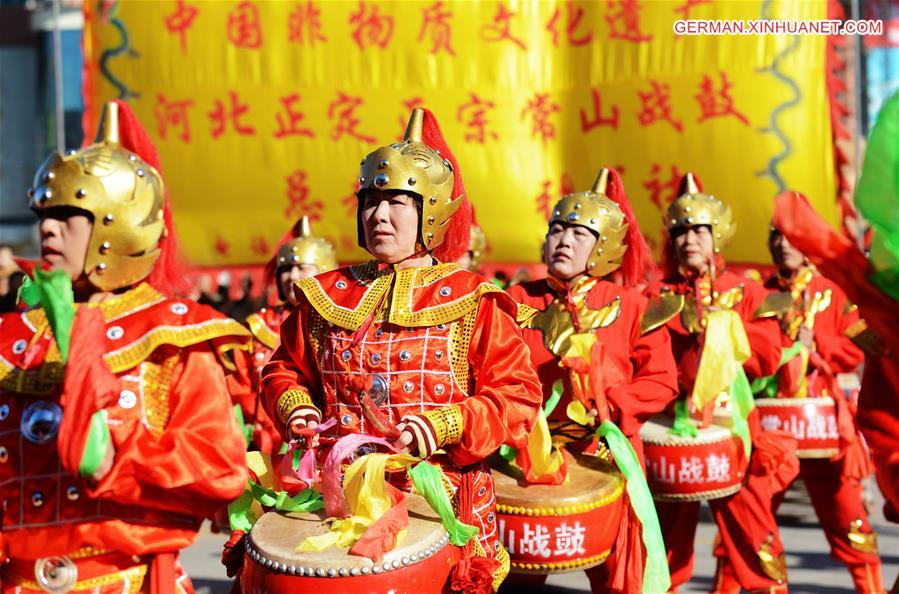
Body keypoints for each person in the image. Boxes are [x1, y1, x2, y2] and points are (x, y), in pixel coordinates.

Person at [260, 107, 542, 591]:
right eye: (371, 200)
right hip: (335, 498)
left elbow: (517, 397)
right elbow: (282, 370)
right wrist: (297, 410)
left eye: (398, 203)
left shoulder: (474, 299)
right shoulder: (326, 294)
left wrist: (445, 422)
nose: (379, 215)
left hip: (441, 501)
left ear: (429, 213)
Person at [0, 100, 249, 593]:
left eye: (70, 213)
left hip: (128, 580)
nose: (48, 227)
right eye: (46, 212)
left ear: (116, 224)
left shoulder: (176, 337)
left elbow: (218, 467)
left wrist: (114, 454)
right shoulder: (11, 338)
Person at [506, 167, 679, 593]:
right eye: (557, 230)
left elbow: (661, 381)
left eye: (578, 234)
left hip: (608, 452)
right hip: (530, 459)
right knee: (516, 575)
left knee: (622, 580)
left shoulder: (632, 305)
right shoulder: (515, 301)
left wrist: (609, 399)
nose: (563, 241)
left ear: (601, 248)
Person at [645, 172, 795, 594]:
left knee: (755, 539)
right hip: (671, 434)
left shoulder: (743, 291)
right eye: (680, 231)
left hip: (734, 434)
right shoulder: (656, 295)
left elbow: (766, 359)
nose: (689, 239)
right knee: (664, 548)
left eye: (698, 230)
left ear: (717, 237)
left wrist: (726, 330)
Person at [749, 224, 883, 593]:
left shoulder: (833, 292)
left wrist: (818, 343)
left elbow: (860, 346)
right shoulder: (759, 292)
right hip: (772, 429)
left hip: (822, 427)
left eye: (791, 236)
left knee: (849, 518)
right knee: (750, 520)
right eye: (774, 236)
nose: (782, 244)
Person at [242, 216, 337, 453]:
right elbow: (238, 388)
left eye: (302, 268)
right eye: (286, 269)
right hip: (265, 445)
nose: (292, 276)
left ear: (324, 271)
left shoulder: (340, 323)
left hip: (325, 441)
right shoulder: (257, 327)